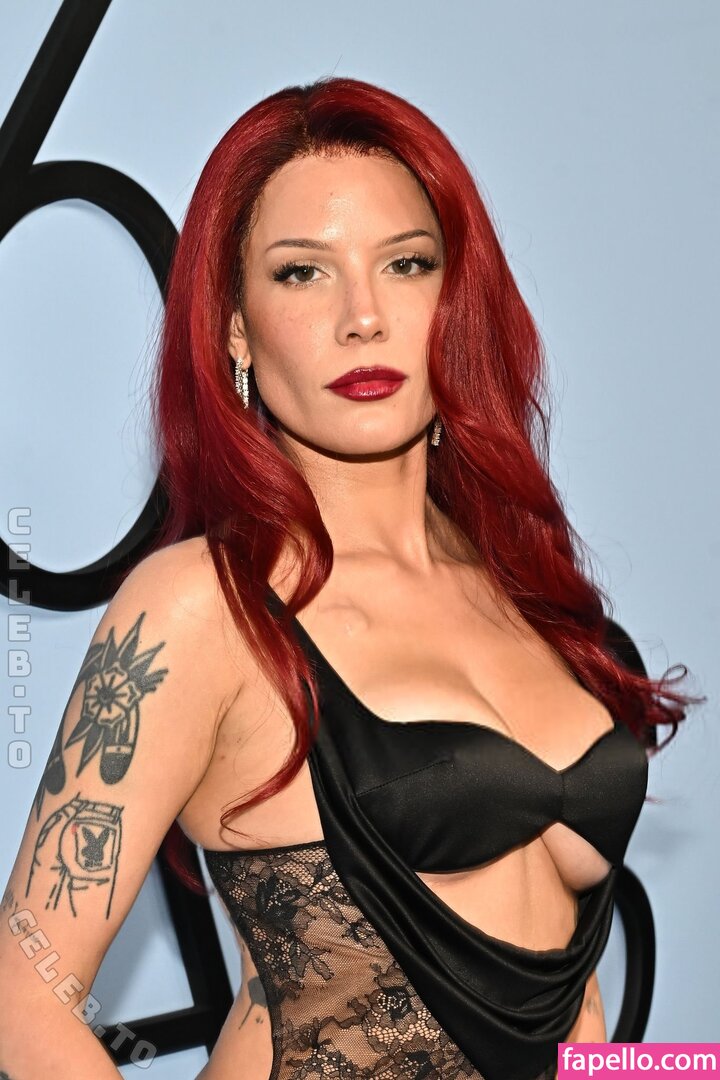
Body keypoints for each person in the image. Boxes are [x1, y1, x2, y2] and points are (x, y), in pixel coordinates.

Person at [0, 76, 699, 1080]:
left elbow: (574, 1003)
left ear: (455, 300)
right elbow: (22, 998)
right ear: (234, 328)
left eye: (406, 264)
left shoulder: (530, 593)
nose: (363, 316)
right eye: (302, 274)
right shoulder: (205, 608)